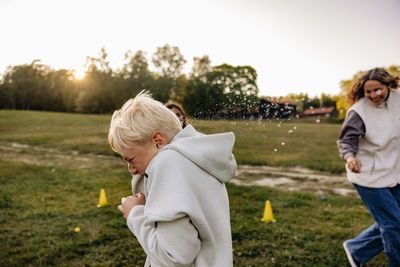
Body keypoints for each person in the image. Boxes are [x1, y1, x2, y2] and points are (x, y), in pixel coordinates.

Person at [108, 90, 237, 267]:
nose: (132, 170)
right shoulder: (192, 156)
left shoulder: (168, 162)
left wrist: (134, 214)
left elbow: (174, 257)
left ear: (158, 142)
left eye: (130, 159)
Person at [337, 67, 400, 267]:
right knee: (393, 224)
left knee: (393, 221)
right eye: (368, 91)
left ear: (388, 86)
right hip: (368, 175)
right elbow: (346, 140)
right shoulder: (358, 112)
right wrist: (349, 158)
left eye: (378, 90)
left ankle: (357, 249)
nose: (373, 95)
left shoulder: (398, 100)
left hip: (394, 171)